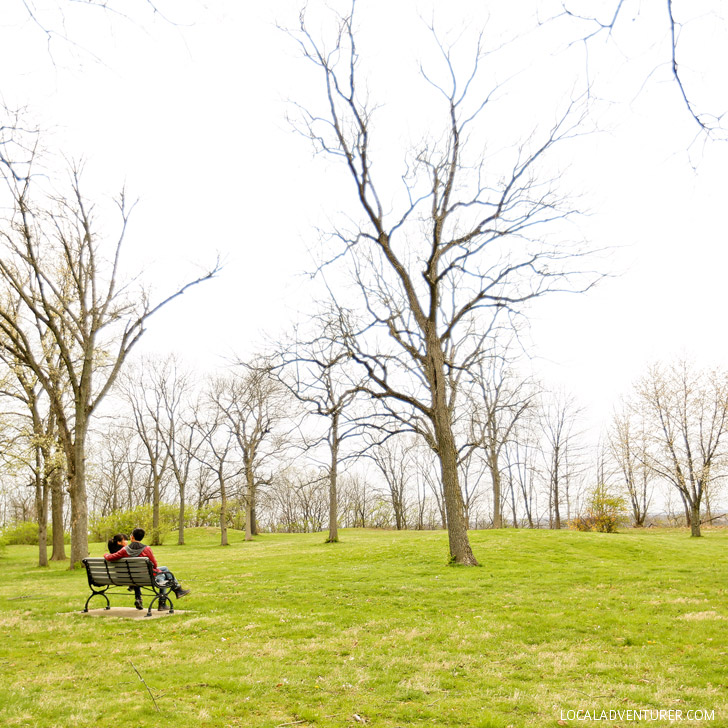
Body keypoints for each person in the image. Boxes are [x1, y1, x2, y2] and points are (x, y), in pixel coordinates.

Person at [104, 528, 191, 603]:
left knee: (164, 569)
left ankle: (177, 590)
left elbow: (111, 557)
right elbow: (155, 565)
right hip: (146, 576)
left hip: (132, 576)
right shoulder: (146, 549)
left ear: (132, 537)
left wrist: (105, 555)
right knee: (164, 574)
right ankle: (167, 599)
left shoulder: (125, 550)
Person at [107, 533, 144, 610]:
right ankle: (138, 598)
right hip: (131, 577)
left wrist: (105, 555)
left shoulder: (112, 553)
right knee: (135, 575)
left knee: (133, 575)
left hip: (118, 577)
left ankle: (133, 588)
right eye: (125, 540)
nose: (127, 542)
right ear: (119, 542)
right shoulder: (126, 552)